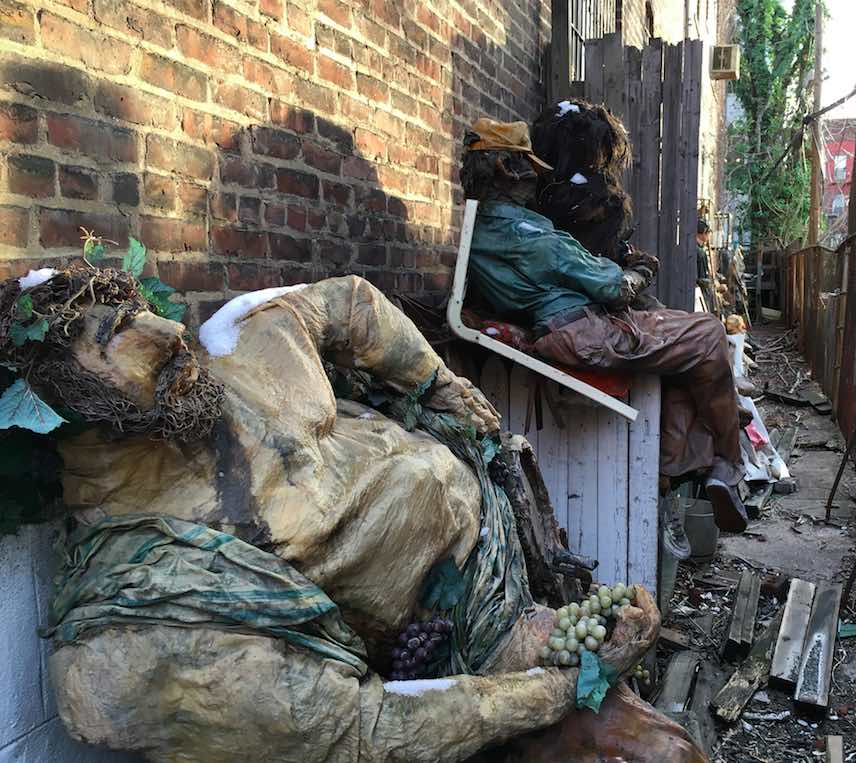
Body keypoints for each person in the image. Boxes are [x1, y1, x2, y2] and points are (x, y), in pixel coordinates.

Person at [1, 264, 702, 762]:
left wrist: (436, 381)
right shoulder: (146, 606)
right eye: (117, 339)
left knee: (669, 738)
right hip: (458, 674)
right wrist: (546, 693)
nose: (163, 330)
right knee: (658, 756)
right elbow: (363, 731)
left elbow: (346, 304)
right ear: (59, 402)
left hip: (500, 589)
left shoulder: (234, 358)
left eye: (133, 309)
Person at [461, 118, 749, 541]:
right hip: (583, 331)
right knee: (707, 335)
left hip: (569, 326)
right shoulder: (523, 232)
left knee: (684, 360)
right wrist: (639, 272)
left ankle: (676, 473)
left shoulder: (489, 227)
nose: (534, 181)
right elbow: (613, 287)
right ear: (508, 170)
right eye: (529, 170)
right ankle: (727, 463)